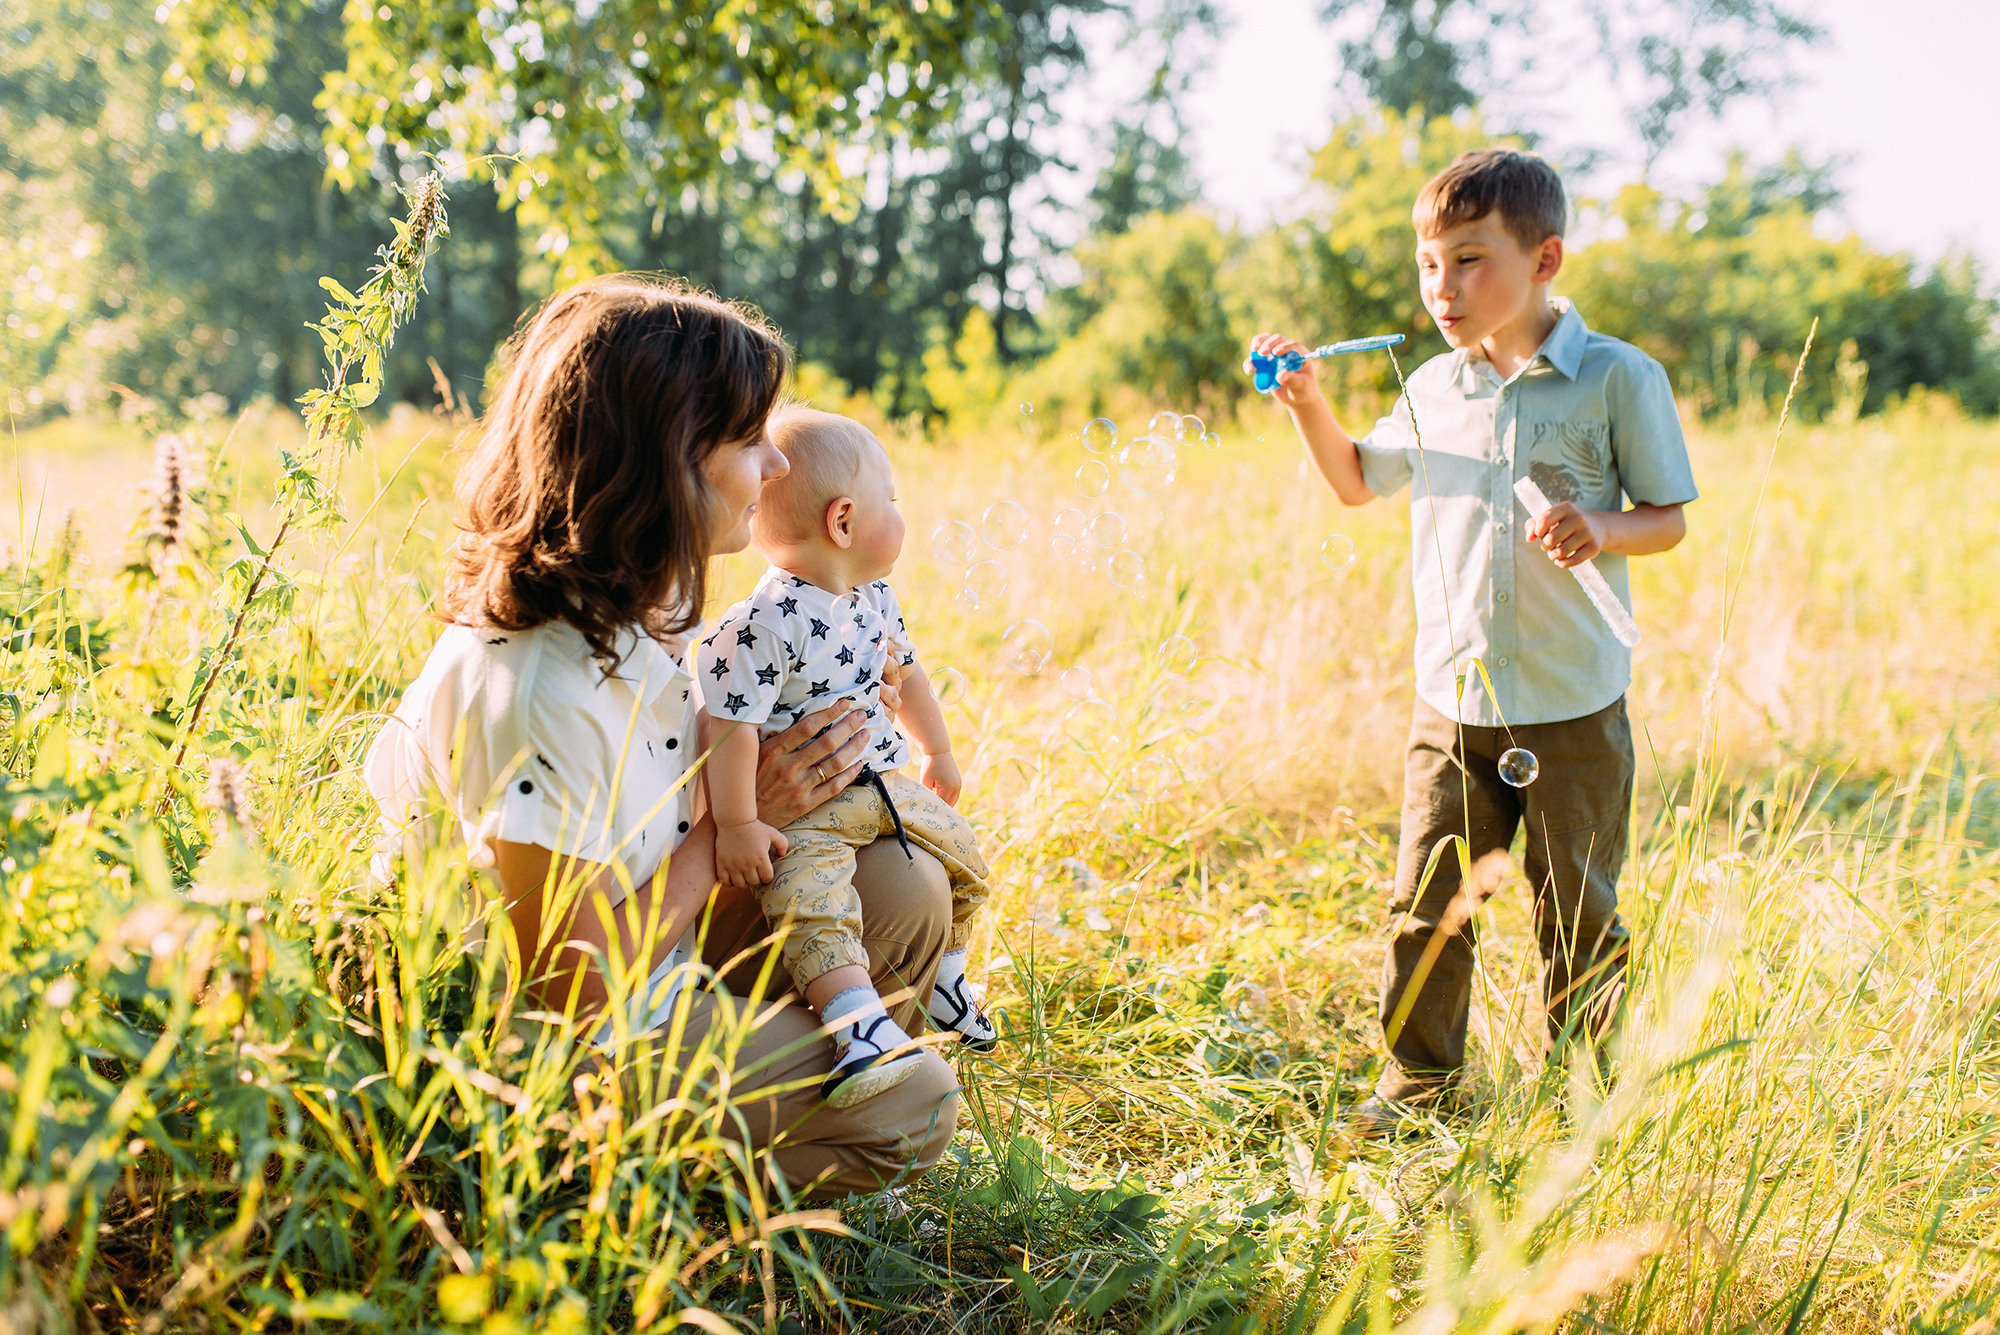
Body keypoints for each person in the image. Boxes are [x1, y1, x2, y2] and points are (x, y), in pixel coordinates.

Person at [363, 274, 961, 1196]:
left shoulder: (645, 609)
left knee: (904, 886)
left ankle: (803, 1082)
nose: (778, 466)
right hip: (551, 1048)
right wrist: (731, 825)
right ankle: (604, 1195)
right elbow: (569, 989)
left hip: (659, 945)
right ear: (672, 458)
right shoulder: (536, 684)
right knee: (918, 1103)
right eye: (749, 440)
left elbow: (678, 783)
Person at [1249, 148, 1698, 1133]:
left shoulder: (1617, 378)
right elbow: (1354, 481)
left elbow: (1666, 518)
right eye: (1427, 263)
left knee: (1577, 910)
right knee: (1425, 903)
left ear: (1544, 260)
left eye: (1467, 260)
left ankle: (1581, 1093)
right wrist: (1308, 404)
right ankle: (1419, 1083)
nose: (1440, 287)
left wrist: (1602, 526)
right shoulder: (1431, 387)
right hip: (1451, 702)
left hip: (1574, 702)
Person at [695, 408, 998, 1111]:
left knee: (963, 854)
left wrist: (938, 749)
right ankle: (856, 1024)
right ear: (843, 521)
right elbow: (730, 725)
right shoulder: (762, 624)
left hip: (882, 783)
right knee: (812, 904)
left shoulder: (875, 599)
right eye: (891, 501)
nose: (900, 514)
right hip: (809, 811)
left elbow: (908, 676)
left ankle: (947, 974)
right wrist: (739, 822)